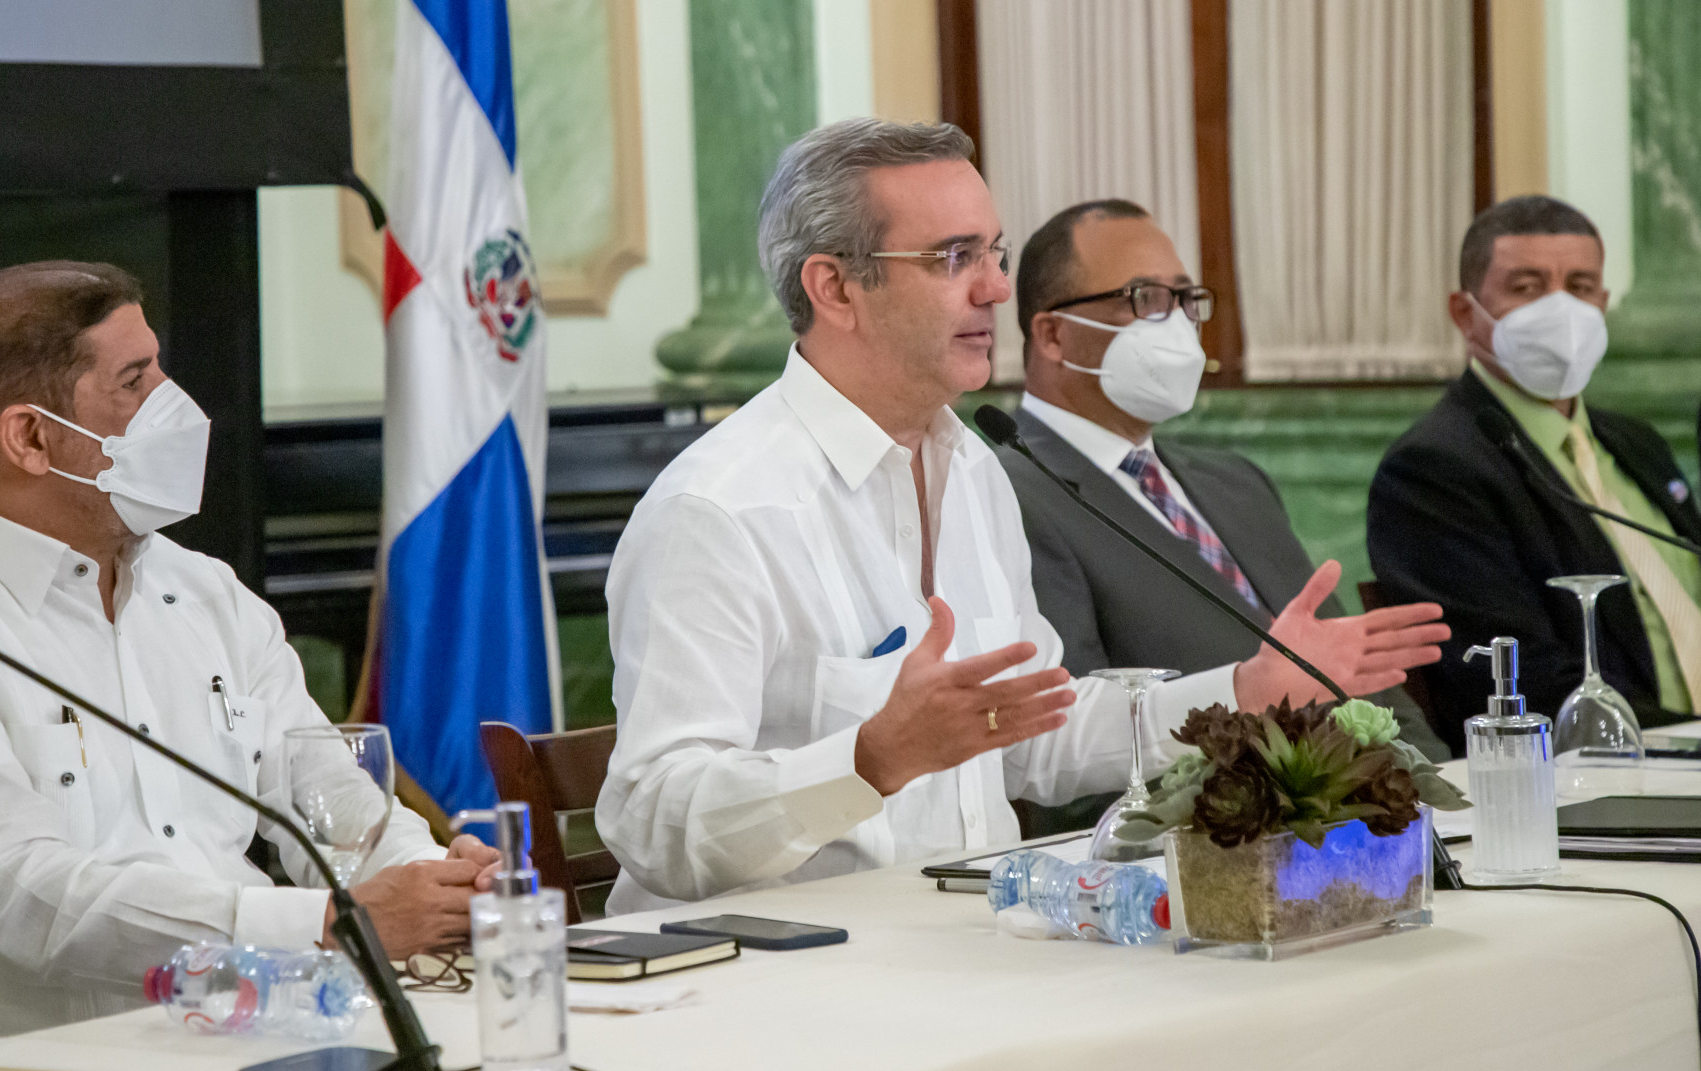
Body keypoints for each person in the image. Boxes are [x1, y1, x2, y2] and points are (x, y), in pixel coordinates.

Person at [595, 120, 1447, 915]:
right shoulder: (719, 509)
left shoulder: (972, 469)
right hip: (785, 974)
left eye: (993, 253)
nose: (996, 288)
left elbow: (1037, 735)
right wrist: (868, 761)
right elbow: (649, 817)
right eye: (953, 257)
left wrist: (1245, 692)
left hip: (973, 940)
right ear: (835, 287)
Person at [0, 263, 497, 1059]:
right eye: (134, 381)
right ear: (30, 438)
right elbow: (22, 901)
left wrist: (433, 880)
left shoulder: (205, 594)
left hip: (266, 1036)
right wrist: (332, 924)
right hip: (36, 1065)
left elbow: (329, 798)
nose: (174, 402)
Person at [999, 200, 1450, 833]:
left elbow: (1349, 671)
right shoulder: (1010, 490)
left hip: (1370, 833)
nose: (1176, 324)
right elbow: (1066, 759)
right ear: (1052, 335)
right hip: (1213, 846)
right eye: (1145, 299)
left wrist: (1436, 794)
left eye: (1185, 300)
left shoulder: (1235, 481)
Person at [1369, 195, 1701, 752]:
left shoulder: (1635, 442)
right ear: (1465, 312)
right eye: (1527, 287)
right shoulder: (1433, 470)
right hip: (1605, 769)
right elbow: (1521, 678)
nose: (1560, 310)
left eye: (1580, 286)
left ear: (1603, 302)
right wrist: (1685, 741)